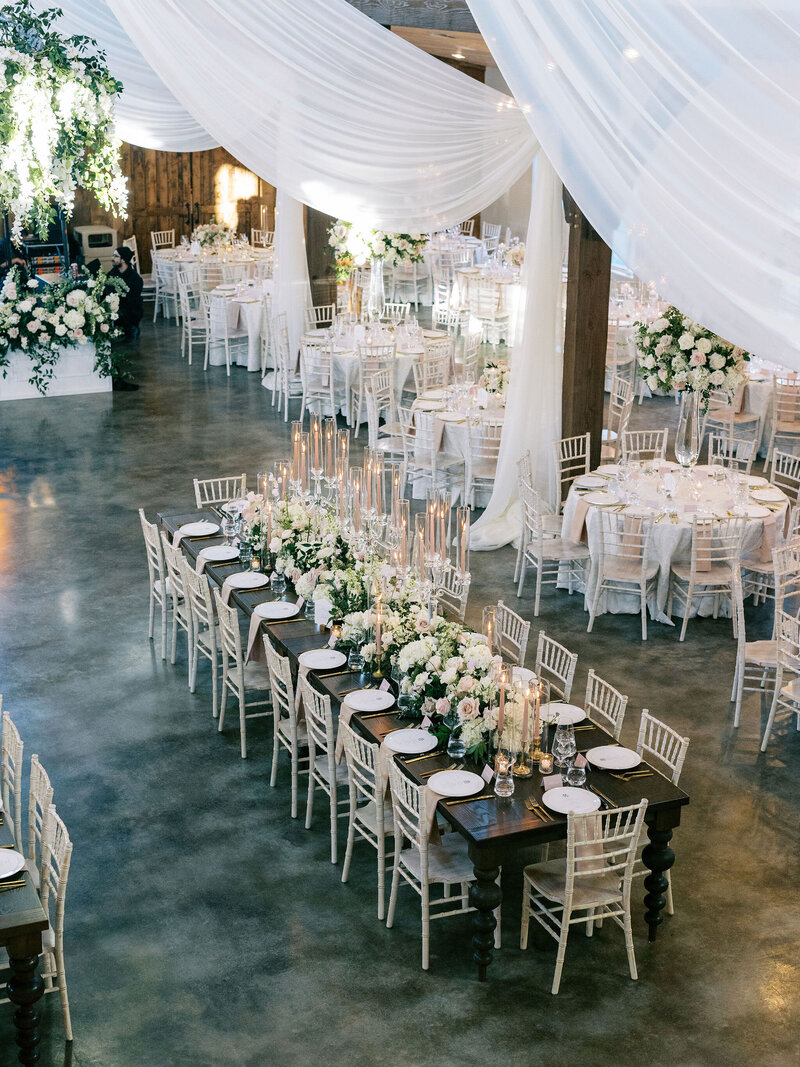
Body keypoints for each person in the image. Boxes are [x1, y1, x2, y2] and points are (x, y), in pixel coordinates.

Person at [109, 246, 143, 340]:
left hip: (129, 310)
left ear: (123, 260)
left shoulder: (134, 278)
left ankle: (132, 329)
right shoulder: (114, 271)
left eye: (116, 256)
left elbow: (132, 300)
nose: (113, 258)